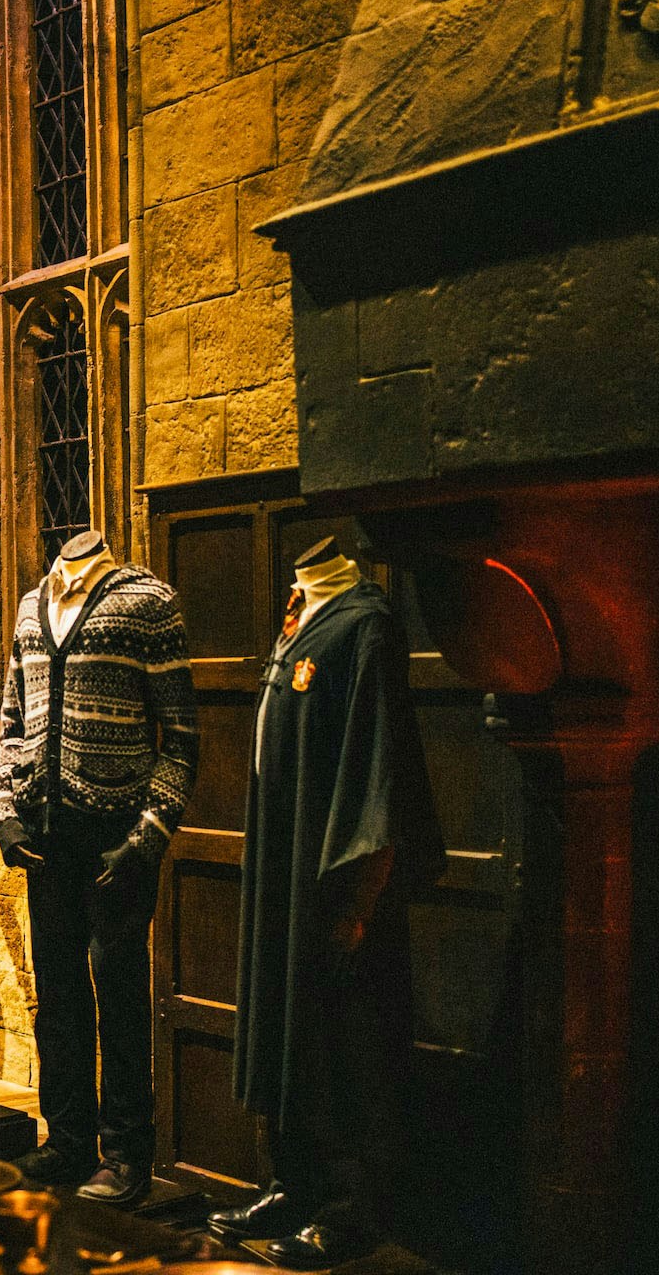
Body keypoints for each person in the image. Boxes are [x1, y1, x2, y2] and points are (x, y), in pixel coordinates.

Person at [208, 539, 445, 1268]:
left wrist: (357, 891)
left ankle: (353, 1207)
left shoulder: (363, 625)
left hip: (332, 874)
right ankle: (295, 1182)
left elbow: (376, 762)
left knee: (348, 1041)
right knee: (290, 1028)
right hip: (283, 867)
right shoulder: (300, 620)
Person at [0, 530, 198, 1203]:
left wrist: (148, 835)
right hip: (44, 834)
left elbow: (182, 739)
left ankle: (129, 1152)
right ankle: (70, 1139)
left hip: (116, 838)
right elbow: (12, 720)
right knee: (57, 994)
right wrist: (3, 811)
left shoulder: (147, 602)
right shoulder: (30, 606)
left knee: (120, 991)